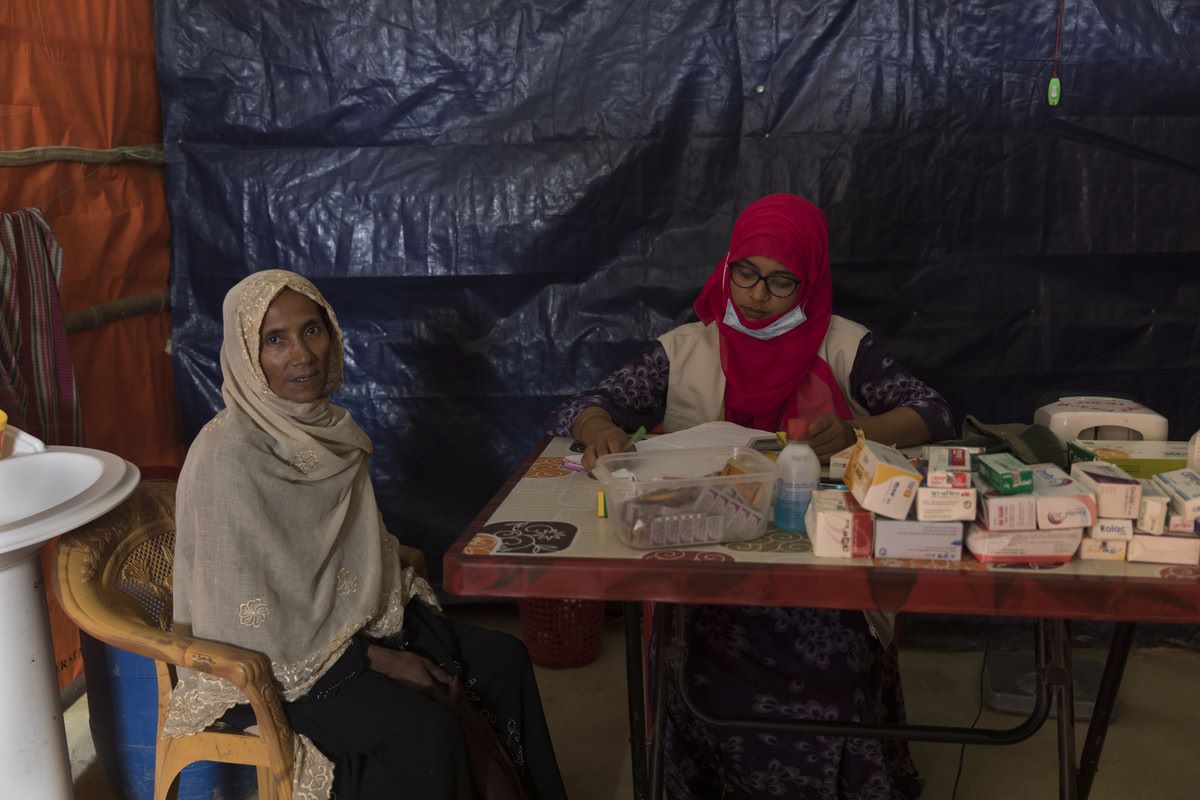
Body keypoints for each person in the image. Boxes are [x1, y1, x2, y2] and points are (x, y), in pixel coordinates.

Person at [545, 194, 955, 799]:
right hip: (708, 559)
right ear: (727, 265)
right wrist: (599, 428)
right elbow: (582, 406)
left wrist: (855, 433)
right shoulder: (687, 349)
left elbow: (933, 411)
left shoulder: (844, 346)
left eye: (781, 282)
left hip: (820, 558)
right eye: (745, 273)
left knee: (837, 652)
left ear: (810, 283)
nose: (757, 295)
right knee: (700, 650)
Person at [165, 269, 567, 800]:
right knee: (424, 732)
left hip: (341, 627)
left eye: (312, 330)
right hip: (273, 664)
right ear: (246, 355)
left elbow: (331, 559)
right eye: (275, 340)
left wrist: (384, 576)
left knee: (503, 663)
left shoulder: (328, 430)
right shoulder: (227, 458)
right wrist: (381, 659)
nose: (302, 355)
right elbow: (254, 622)